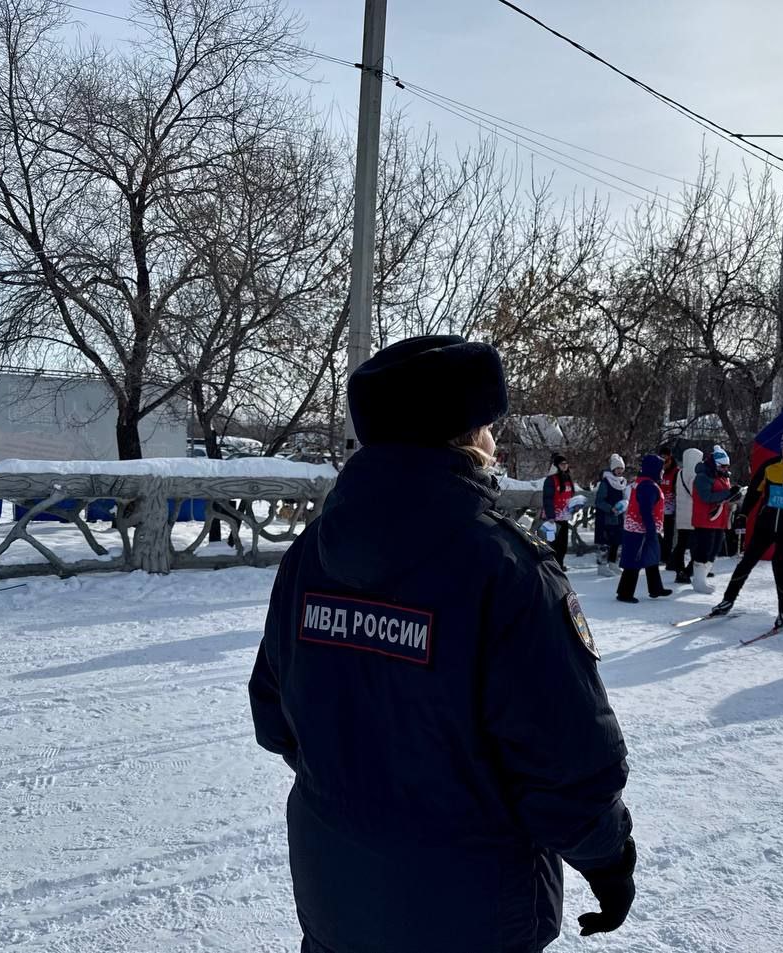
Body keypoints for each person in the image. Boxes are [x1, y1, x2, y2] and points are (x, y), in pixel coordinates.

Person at [248, 335, 636, 953]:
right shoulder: (505, 566)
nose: (494, 441)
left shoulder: (311, 553)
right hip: (471, 913)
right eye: (488, 425)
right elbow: (566, 764)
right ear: (466, 436)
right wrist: (610, 861)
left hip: (337, 898)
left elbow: (275, 715)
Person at [711, 428, 783, 628]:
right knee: (746, 562)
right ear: (781, 448)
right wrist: (743, 515)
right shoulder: (770, 466)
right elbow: (754, 493)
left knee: (779, 566)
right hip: (766, 523)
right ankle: (727, 601)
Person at [617, 453, 674, 603]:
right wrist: (650, 530)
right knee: (634, 561)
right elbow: (645, 510)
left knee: (651, 558)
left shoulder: (644, 482)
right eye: (661, 469)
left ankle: (656, 588)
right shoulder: (648, 486)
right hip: (640, 529)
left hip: (641, 528)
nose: (662, 472)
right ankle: (625, 593)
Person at [690, 445, 741, 594]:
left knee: (714, 550)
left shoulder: (722, 476)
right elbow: (706, 497)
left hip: (719, 519)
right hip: (705, 519)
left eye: (727, 466)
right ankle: (698, 581)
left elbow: (724, 496)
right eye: (723, 466)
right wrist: (727, 494)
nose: (726, 469)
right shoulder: (702, 477)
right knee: (704, 550)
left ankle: (702, 578)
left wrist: (733, 495)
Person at [669, 447, 702, 584]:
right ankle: (690, 570)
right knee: (697, 545)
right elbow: (697, 494)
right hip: (693, 515)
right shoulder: (694, 474)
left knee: (681, 544)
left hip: (682, 514)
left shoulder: (680, 473)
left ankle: (679, 570)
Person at [593, 455, 627, 578]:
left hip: (618, 516)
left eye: (621, 468)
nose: (619, 471)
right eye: (617, 468)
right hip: (606, 517)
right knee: (604, 542)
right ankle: (602, 566)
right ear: (612, 469)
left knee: (616, 541)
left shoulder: (622, 482)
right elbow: (599, 501)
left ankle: (613, 563)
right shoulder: (605, 482)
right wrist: (610, 508)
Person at [541, 452, 576, 569]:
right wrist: (550, 515)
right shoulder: (551, 480)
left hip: (564, 516)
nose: (565, 466)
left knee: (563, 544)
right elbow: (547, 498)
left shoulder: (568, 478)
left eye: (566, 464)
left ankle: (560, 564)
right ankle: (553, 565)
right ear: (556, 465)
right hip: (552, 518)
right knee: (553, 543)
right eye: (562, 464)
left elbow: (570, 496)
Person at [658, 444, 680, 566]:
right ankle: (662, 552)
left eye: (665, 458)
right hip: (657, 506)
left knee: (669, 533)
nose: (664, 460)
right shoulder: (658, 470)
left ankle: (666, 556)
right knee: (655, 532)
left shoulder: (675, 472)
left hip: (670, 508)